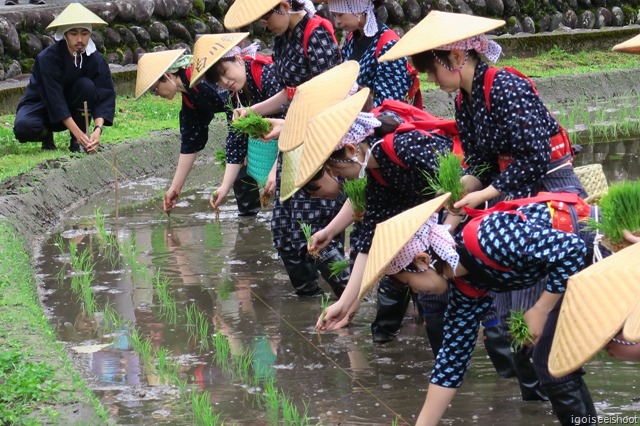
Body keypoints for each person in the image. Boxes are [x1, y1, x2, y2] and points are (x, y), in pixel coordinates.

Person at [379, 10, 589, 400]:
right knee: (514, 307)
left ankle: (555, 378)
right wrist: (460, 190)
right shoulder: (465, 100)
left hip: (548, 189)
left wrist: (487, 194)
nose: (431, 80)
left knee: (545, 295)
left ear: (456, 58)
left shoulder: (506, 86)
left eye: (432, 70)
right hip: (512, 192)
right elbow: (480, 162)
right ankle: (536, 393)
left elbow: (534, 157)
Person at [358, 192, 613, 425]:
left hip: (603, 244)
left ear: (422, 260)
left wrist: (541, 310)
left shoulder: (484, 238)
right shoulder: (465, 285)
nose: (414, 292)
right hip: (577, 270)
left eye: (408, 282)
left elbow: (572, 249)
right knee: (551, 365)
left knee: (562, 360)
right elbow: (452, 359)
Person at [280, 77, 455, 356]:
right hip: (427, 230)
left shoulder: (402, 147)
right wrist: (345, 304)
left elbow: (455, 188)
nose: (337, 178)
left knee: (456, 301)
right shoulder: (376, 173)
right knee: (435, 313)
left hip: (458, 222)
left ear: (350, 150)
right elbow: (369, 241)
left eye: (334, 170)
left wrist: (445, 233)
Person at [224, 0, 349, 298]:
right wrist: (253, 111)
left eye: (266, 16)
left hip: (320, 140)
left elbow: (328, 94)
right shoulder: (281, 42)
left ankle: (348, 301)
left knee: (315, 228)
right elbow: (288, 94)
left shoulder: (317, 33)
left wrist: (288, 125)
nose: (264, 24)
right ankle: (310, 301)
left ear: (282, 6)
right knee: (284, 231)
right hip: (293, 141)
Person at [134, 48, 261, 216]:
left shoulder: (202, 79)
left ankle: (252, 223)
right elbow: (190, 143)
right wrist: (175, 188)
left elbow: (235, 110)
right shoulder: (190, 98)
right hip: (242, 118)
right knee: (240, 168)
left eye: (155, 89)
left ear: (167, 76)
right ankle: (249, 220)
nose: (156, 95)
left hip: (257, 103)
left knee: (244, 166)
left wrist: (245, 143)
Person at [187, 33, 283, 212]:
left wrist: (276, 170)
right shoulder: (232, 96)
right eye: (218, 80)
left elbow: (293, 124)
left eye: (224, 72)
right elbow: (235, 140)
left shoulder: (267, 74)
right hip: (269, 147)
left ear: (238, 58)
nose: (225, 82)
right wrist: (224, 187)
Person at [13, 2, 115, 153]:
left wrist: (97, 130)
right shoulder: (47, 58)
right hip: (42, 104)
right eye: (74, 33)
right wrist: (79, 134)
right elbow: (54, 98)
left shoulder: (96, 59)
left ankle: (77, 142)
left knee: (86, 85)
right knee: (24, 128)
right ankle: (47, 134)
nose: (80, 39)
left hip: (74, 105)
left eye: (84, 33)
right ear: (65, 35)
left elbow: (105, 95)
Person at [327, 0, 417, 108]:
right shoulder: (352, 38)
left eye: (340, 15)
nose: (337, 21)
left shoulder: (388, 46)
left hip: (373, 118)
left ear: (358, 10)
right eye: (334, 16)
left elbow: (389, 103)